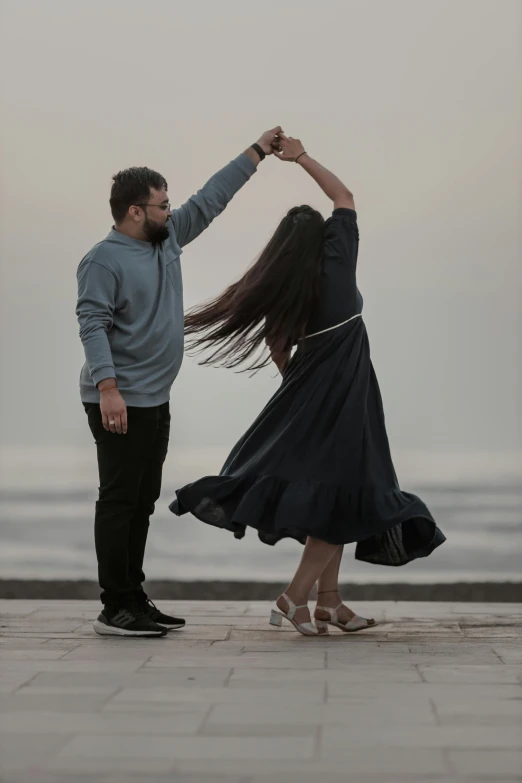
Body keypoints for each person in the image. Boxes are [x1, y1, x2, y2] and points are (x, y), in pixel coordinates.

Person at [170, 134, 446, 637]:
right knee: (345, 495)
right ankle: (293, 596)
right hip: (349, 398)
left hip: (309, 396)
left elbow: (279, 351)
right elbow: (344, 198)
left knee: (336, 498)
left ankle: (330, 604)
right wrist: (299, 157)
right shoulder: (337, 260)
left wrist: (301, 388)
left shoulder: (288, 289)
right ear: (320, 239)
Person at [76, 126, 283, 637]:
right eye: (162, 205)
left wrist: (256, 151)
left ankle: (134, 598)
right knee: (120, 500)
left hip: (155, 397)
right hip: (118, 400)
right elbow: (92, 323)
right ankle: (114, 607)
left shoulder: (167, 241)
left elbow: (212, 198)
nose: (172, 211)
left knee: (142, 500)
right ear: (135, 212)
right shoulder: (102, 260)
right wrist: (108, 389)